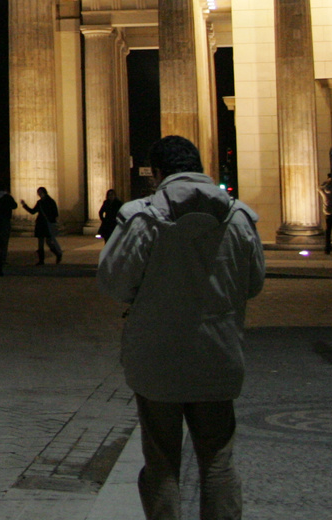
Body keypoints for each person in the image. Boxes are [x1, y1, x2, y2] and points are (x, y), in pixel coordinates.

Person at [98, 135, 266, 520]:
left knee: (161, 462)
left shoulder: (143, 218)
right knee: (218, 461)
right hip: (217, 356)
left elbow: (114, 282)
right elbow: (254, 283)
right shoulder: (238, 217)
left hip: (157, 360)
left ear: (157, 173)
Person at [20, 186, 64, 264]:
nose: (39, 194)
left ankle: (54, 255)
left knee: (47, 241)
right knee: (42, 242)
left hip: (45, 224)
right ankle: (44, 259)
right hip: (42, 224)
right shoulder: (44, 202)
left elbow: (54, 213)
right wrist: (24, 205)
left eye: (39, 192)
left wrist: (24, 205)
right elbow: (33, 211)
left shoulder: (47, 202)